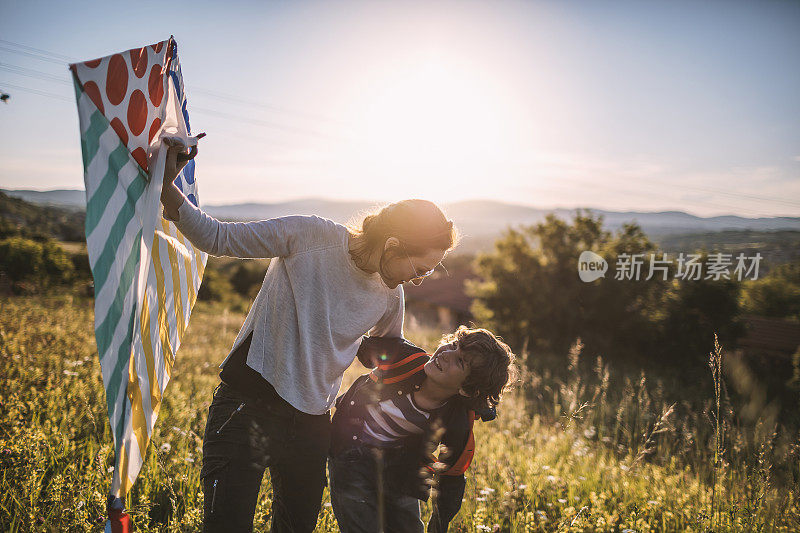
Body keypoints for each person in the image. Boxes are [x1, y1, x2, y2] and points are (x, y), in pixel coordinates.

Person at [159, 140, 459, 532]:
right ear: (393, 244)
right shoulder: (309, 236)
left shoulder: (390, 297)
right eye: (419, 268)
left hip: (313, 425)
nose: (417, 280)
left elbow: (391, 366)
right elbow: (217, 238)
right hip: (246, 405)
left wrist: (453, 398)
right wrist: (166, 183)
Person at [329, 326, 516, 533]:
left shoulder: (456, 421)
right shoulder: (407, 359)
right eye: (453, 345)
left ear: (466, 389)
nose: (446, 354)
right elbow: (358, 343)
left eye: (460, 361)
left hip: (402, 466)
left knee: (408, 527)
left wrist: (439, 526)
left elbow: (451, 478)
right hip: (351, 452)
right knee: (361, 523)